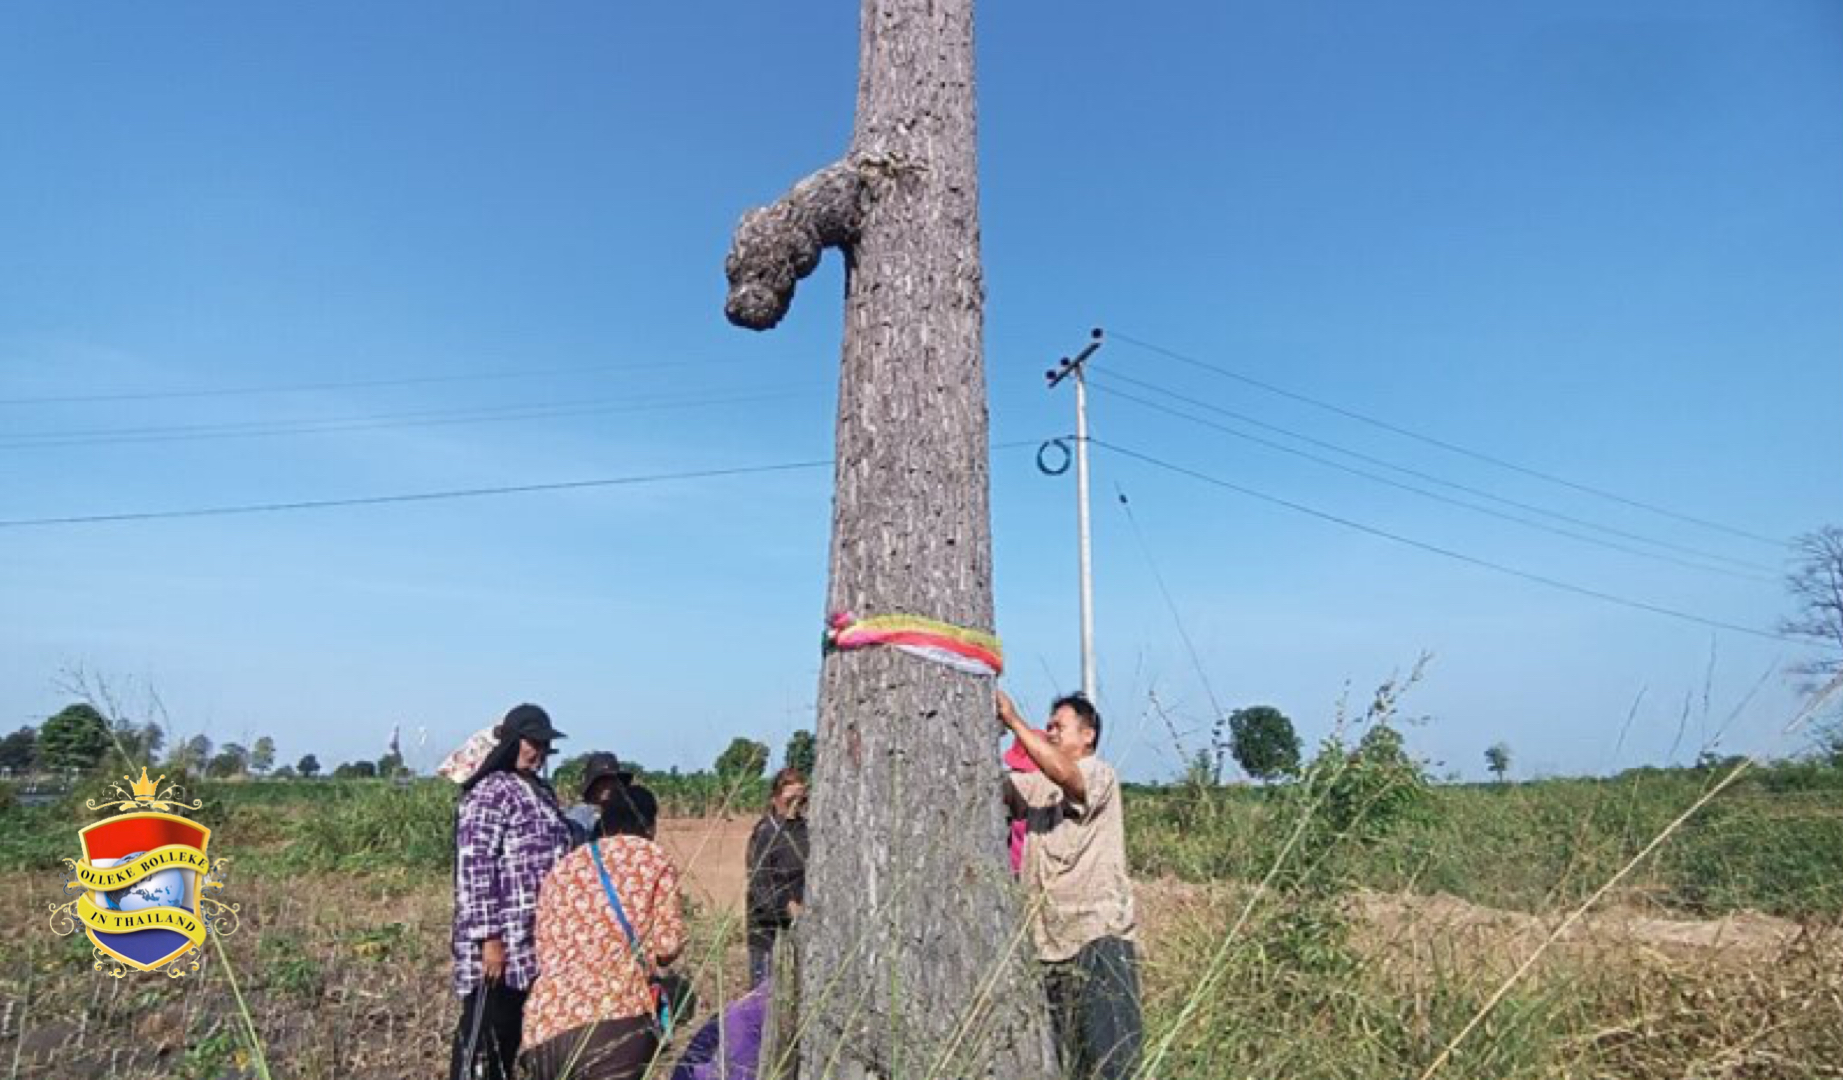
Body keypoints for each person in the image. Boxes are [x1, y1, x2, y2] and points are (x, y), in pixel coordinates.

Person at [998, 690, 1142, 1080]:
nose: (1049, 732)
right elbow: (1000, 787)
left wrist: (1014, 721)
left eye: (1057, 726)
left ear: (1088, 734)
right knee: (1070, 1066)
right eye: (1048, 727)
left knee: (1113, 1064)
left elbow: (1069, 778)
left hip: (1097, 940)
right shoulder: (1038, 787)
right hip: (1048, 948)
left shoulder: (1098, 775)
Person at [521, 783, 685, 1080]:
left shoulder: (565, 866)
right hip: (614, 1027)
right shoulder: (652, 857)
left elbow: (543, 949)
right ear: (649, 823)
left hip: (543, 1028)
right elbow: (666, 947)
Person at [449, 704, 576, 1080]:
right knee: (483, 1038)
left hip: (531, 940)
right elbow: (475, 868)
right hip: (499, 944)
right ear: (510, 742)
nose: (537, 752)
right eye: (530, 743)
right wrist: (489, 939)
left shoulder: (541, 791)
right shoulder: (490, 792)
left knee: (509, 1036)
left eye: (542, 745)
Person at [744, 767, 808, 986]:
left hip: (801, 929)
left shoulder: (806, 830)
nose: (796, 805)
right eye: (790, 799)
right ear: (775, 799)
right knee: (764, 999)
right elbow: (759, 885)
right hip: (767, 932)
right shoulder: (765, 832)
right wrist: (786, 906)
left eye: (802, 799)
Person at [564, 752, 632, 843]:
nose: (608, 786)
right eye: (603, 781)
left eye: (612, 780)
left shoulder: (620, 815)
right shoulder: (578, 816)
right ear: (592, 784)